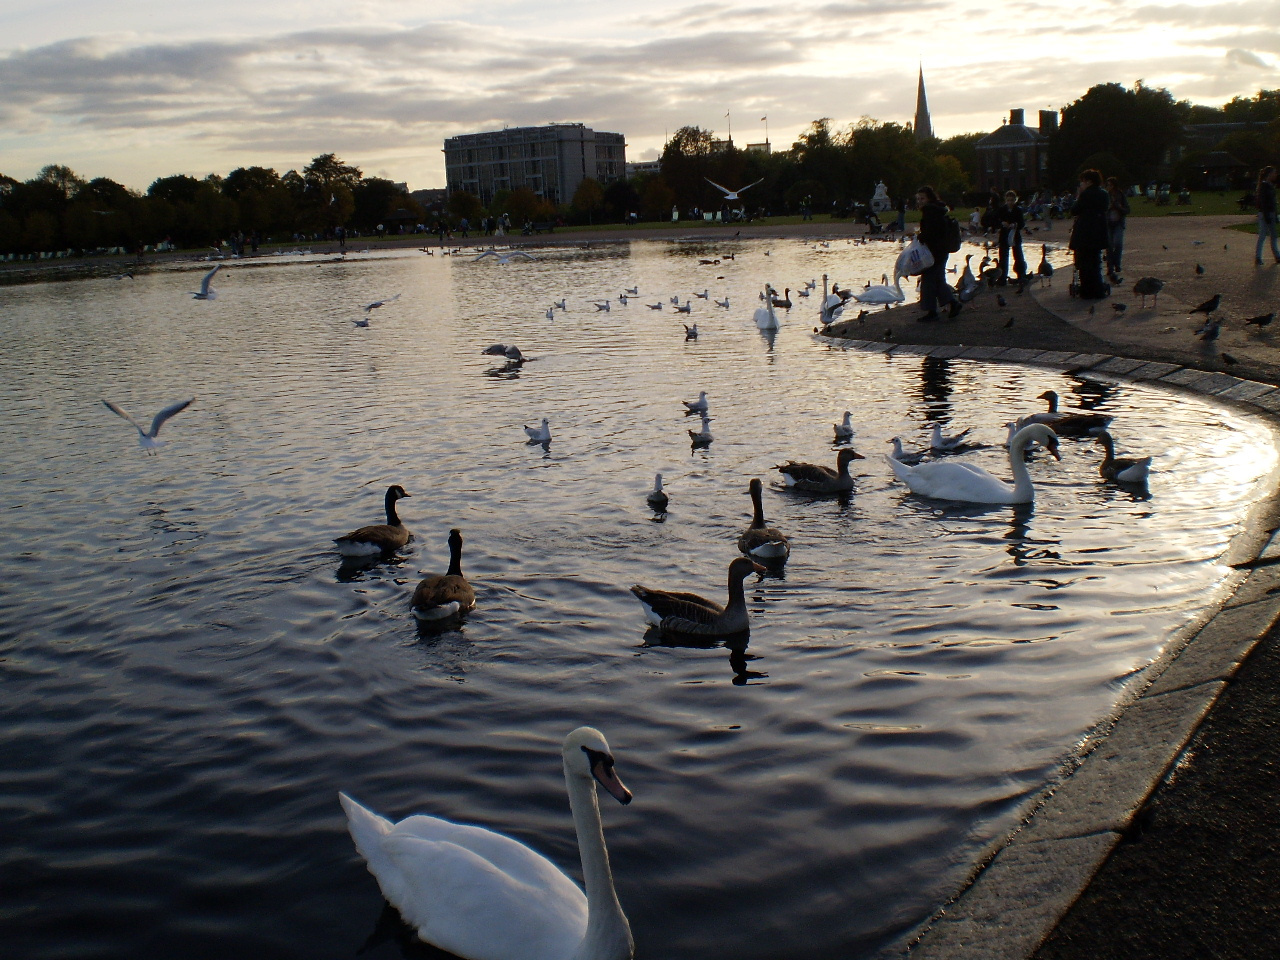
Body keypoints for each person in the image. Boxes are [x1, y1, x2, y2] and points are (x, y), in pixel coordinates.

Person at [915, 185, 961, 322]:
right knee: (938, 279)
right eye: (918, 199)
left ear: (929, 198)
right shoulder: (938, 209)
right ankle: (951, 304)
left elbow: (932, 233)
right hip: (942, 250)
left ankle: (933, 310)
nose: (920, 201)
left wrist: (921, 236)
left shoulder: (930, 211)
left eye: (922, 198)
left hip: (934, 251)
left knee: (928, 280)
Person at [1069, 169, 1110, 299]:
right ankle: (1098, 290)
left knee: (1084, 264)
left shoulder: (1085, 195)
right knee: (1096, 262)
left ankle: (1087, 291)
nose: (1081, 184)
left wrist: (1079, 196)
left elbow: (1074, 210)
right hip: (1098, 232)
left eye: (1083, 181)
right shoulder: (1104, 194)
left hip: (1085, 233)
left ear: (1089, 181)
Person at [995, 190, 1027, 285]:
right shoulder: (1002, 209)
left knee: (1018, 256)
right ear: (1005, 200)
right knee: (1003, 257)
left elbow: (1022, 223)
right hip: (1004, 235)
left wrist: (1015, 224)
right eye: (1008, 200)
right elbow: (996, 220)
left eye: (1012, 200)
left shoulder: (1018, 210)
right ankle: (1002, 278)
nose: (1010, 202)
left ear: (1015, 200)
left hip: (1015, 235)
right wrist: (1002, 223)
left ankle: (1021, 276)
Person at [1104, 176, 1130, 281]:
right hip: (1109, 223)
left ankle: (1116, 263)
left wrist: (1118, 206)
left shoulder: (1120, 195)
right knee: (1109, 246)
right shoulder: (1106, 195)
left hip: (1118, 222)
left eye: (1109, 185)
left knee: (1118, 243)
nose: (1108, 187)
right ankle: (1110, 267)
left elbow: (1127, 210)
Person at [1256, 166, 1279, 265]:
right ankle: (1260, 257)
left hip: (1270, 213)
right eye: (1274, 173)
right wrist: (1267, 215)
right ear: (1269, 174)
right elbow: (1264, 202)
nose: (1275, 175)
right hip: (1267, 213)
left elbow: (1273, 203)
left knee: (1268, 235)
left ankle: (1274, 256)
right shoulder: (1264, 186)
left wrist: (1276, 214)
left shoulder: (1268, 185)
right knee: (1266, 235)